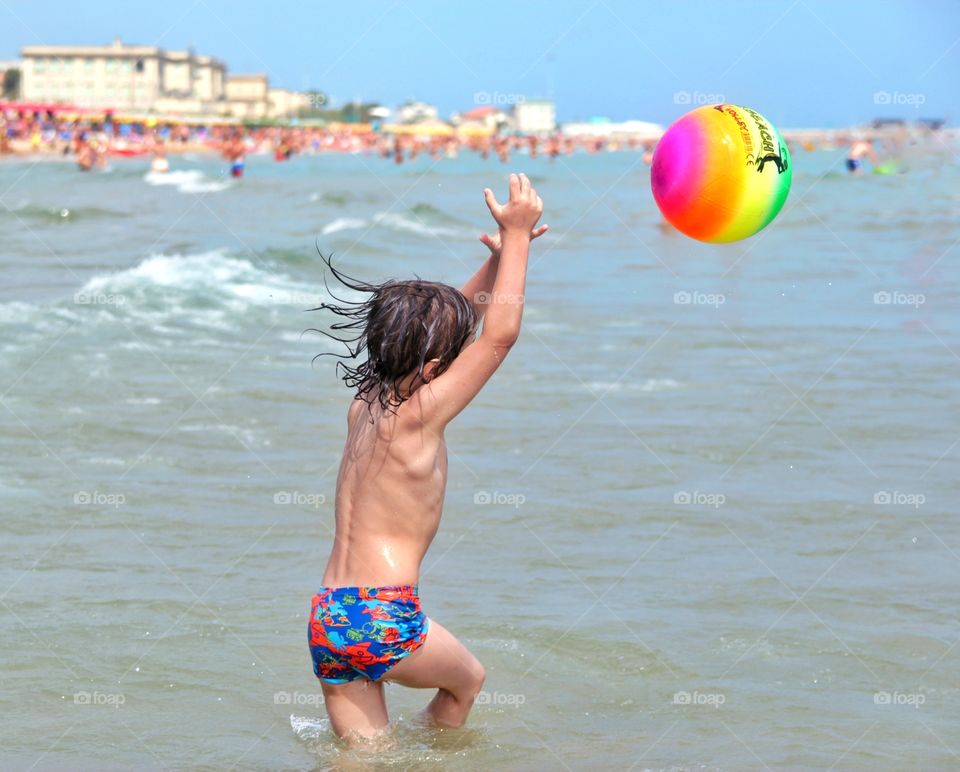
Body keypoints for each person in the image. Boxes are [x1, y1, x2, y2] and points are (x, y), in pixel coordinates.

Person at [307, 173, 547, 744]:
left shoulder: (365, 403)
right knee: (467, 683)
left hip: (329, 617)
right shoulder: (419, 416)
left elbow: (452, 323)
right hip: (385, 616)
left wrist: (501, 257)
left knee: (363, 759)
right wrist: (515, 240)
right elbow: (497, 336)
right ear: (438, 366)